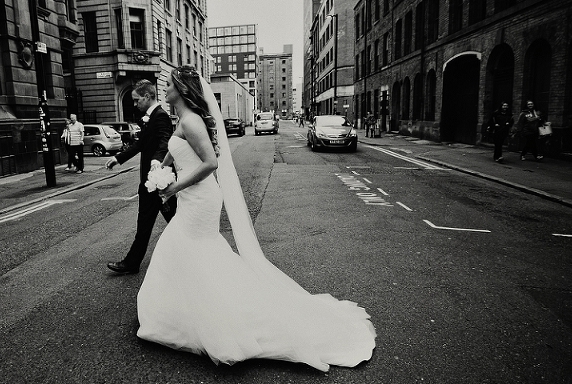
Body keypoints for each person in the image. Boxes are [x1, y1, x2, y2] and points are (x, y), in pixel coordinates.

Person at [135, 66, 376, 372]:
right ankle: (179, 313)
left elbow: (209, 163)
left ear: (181, 90)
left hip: (199, 199)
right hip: (193, 198)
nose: (164, 89)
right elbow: (179, 150)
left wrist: (174, 186)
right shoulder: (183, 120)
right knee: (188, 250)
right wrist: (162, 166)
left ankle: (212, 318)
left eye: (168, 85)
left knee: (189, 248)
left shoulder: (193, 121)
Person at [106, 79, 177, 274]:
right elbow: (139, 145)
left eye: (137, 100)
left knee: (177, 221)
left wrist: (156, 161)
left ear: (147, 96)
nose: (135, 104)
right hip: (150, 184)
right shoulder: (150, 117)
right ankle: (132, 263)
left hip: (160, 181)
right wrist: (118, 158)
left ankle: (195, 254)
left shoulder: (160, 116)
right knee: (145, 224)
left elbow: (165, 141)